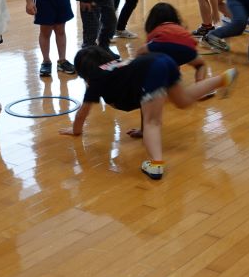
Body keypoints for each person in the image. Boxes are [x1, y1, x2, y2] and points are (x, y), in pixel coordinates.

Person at [60, 47, 239, 180]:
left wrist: (75, 131)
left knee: (152, 122)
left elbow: (83, 112)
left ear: (84, 72)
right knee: (183, 100)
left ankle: (155, 165)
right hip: (163, 59)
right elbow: (142, 99)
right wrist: (142, 131)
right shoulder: (115, 66)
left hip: (152, 69)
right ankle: (222, 79)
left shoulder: (98, 78)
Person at [123, 3, 212, 140]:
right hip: (186, 46)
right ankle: (200, 86)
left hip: (160, 45)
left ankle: (144, 129)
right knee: (200, 65)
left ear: (152, 20)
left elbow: (150, 53)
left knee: (142, 61)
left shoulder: (155, 31)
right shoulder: (180, 29)